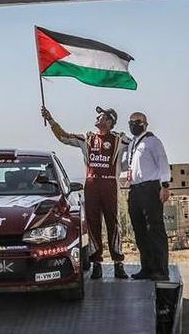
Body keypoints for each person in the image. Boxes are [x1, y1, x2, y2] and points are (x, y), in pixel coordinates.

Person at [42, 105, 130, 279]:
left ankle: (118, 263)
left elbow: (137, 148)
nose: (97, 119)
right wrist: (51, 121)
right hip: (91, 185)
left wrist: (129, 168)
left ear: (110, 121)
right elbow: (64, 137)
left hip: (110, 185)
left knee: (114, 224)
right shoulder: (87, 138)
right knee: (92, 224)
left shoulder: (120, 139)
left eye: (101, 116)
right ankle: (97, 263)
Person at [125, 111, 172, 281]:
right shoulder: (132, 144)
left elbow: (163, 162)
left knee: (155, 229)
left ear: (145, 124)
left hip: (151, 188)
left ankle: (160, 269)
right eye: (130, 121)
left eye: (137, 121)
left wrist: (165, 185)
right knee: (140, 231)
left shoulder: (152, 141)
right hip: (135, 190)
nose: (133, 124)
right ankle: (147, 267)